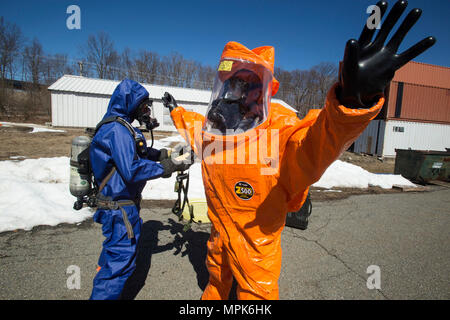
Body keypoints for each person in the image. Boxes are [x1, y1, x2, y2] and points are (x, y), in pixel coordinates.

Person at [163, 0, 435, 299]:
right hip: (219, 235)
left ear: (264, 90)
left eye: (247, 83)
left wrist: (352, 103)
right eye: (232, 82)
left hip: (257, 247)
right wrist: (175, 110)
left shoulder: (278, 132)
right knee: (216, 279)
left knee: (256, 295)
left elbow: (318, 143)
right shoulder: (212, 130)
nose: (237, 91)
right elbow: (191, 124)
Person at [89, 79, 190, 300]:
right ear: (131, 103)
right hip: (119, 208)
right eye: (143, 106)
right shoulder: (117, 130)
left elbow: (139, 153)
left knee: (112, 257)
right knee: (119, 263)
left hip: (121, 206)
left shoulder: (122, 127)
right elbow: (131, 169)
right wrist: (167, 166)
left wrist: (164, 155)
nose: (146, 111)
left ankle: (102, 286)